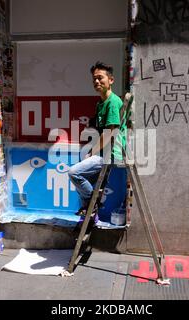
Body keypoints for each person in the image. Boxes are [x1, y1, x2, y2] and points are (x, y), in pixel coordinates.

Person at [68, 61, 126, 222]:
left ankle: (91, 204)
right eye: (94, 79)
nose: (96, 82)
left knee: (74, 172)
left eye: (100, 78)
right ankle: (91, 218)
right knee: (84, 184)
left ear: (111, 80)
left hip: (110, 153)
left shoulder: (113, 102)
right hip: (103, 152)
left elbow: (110, 133)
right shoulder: (100, 103)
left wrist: (91, 152)